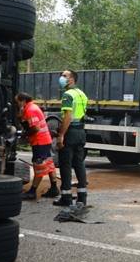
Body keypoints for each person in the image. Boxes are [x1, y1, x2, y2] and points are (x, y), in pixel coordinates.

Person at [54, 69, 89, 207]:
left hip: (70, 132)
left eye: (64, 76)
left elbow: (68, 116)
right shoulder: (82, 94)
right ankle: (82, 198)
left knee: (65, 165)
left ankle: (66, 198)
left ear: (72, 79)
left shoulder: (67, 95)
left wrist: (61, 135)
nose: (61, 78)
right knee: (79, 164)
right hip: (80, 132)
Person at [17, 92, 59, 200]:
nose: (16, 104)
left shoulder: (31, 110)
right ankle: (54, 188)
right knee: (48, 164)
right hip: (45, 140)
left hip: (39, 142)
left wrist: (24, 135)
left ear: (23, 101)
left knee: (39, 166)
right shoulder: (32, 107)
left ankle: (32, 192)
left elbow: (35, 128)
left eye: (17, 102)